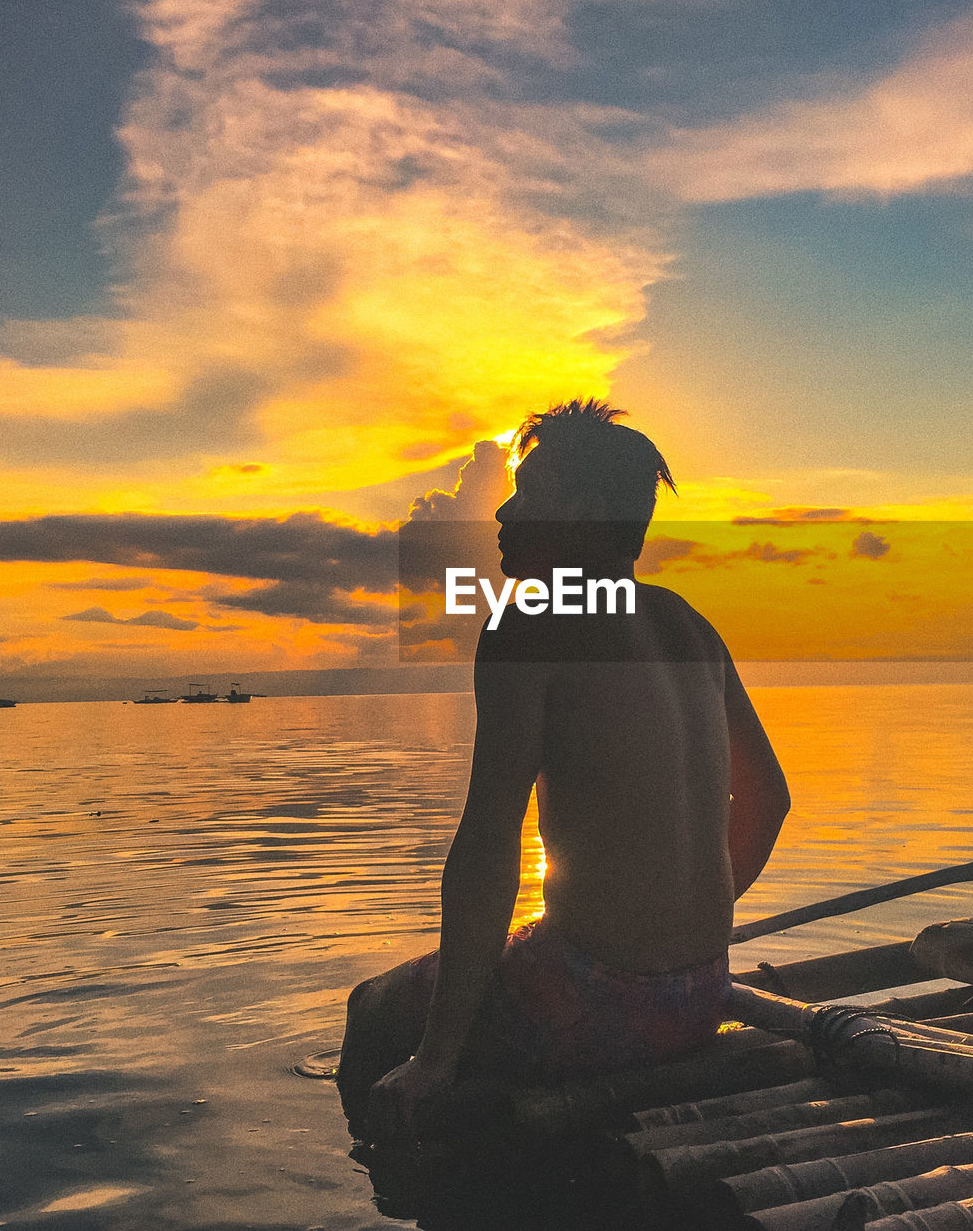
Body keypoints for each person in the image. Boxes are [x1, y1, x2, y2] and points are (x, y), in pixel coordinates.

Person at [337, 399, 790, 1139]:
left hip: (591, 1003)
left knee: (372, 1007)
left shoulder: (528, 624)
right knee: (517, 961)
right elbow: (769, 799)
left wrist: (434, 1058)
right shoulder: (690, 625)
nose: (505, 513)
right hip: (704, 990)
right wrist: (680, 929)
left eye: (531, 494)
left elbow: (488, 847)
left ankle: (395, 1179)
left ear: (580, 511)